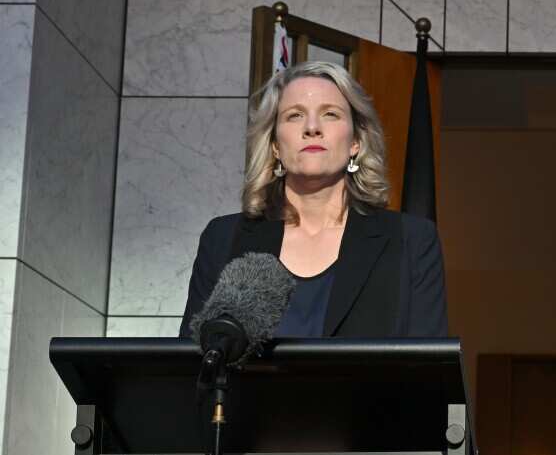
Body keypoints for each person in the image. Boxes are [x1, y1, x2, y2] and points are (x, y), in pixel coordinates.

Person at [180, 61, 447, 338]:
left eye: (330, 114)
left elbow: (427, 368)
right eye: (294, 115)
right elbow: (191, 363)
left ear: (356, 141)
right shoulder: (222, 238)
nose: (311, 127)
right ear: (274, 146)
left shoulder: (411, 240)